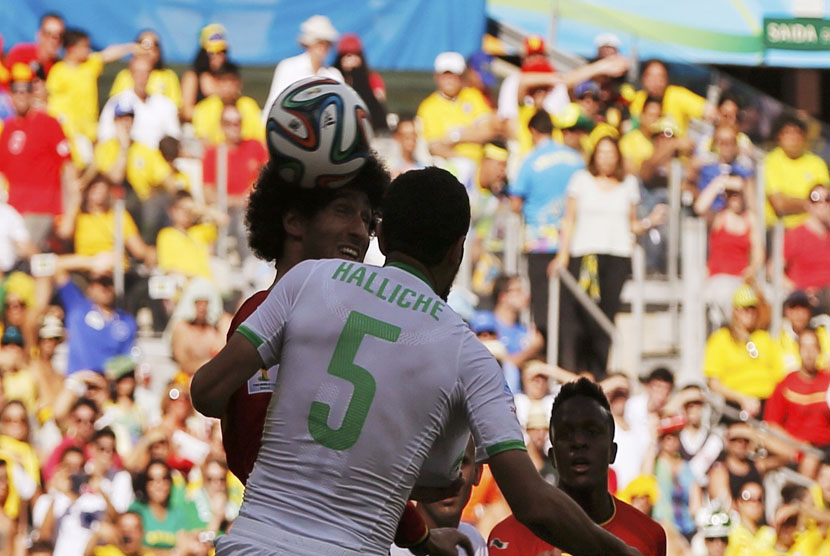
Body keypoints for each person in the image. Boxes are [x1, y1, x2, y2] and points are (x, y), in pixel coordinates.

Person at [192, 167, 641, 555]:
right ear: (457, 251)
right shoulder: (471, 357)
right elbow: (531, 503)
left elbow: (207, 392)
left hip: (249, 543)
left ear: (381, 235)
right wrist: (619, 551)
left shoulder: (308, 279)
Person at [487, 378, 666, 555]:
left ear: (612, 452)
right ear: (552, 456)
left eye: (592, 432)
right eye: (566, 434)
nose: (579, 442)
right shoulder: (508, 537)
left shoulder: (649, 535)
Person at [551, 136, 666, 375]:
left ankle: (599, 369)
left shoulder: (628, 184)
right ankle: (577, 368)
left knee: (607, 312)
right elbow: (570, 219)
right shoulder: (580, 180)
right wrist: (563, 254)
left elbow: (631, 224)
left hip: (617, 255)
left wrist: (649, 222)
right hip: (586, 254)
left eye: (610, 153)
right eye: (601, 153)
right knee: (582, 313)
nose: (606, 158)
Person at [509, 110, 584, 338]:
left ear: (532, 131)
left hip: (539, 241)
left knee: (542, 305)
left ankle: (545, 348)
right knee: (568, 305)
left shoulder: (530, 160)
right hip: (571, 242)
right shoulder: (576, 159)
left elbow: (515, 202)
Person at [0, 63, 75, 247]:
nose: (21, 95)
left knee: (21, 254)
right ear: (9, 95)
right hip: (12, 209)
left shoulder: (49, 123)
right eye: (16, 90)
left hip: (41, 209)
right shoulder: (7, 129)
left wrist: (69, 215)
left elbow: (69, 171)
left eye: (26, 90)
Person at [390, 439, 488, 556]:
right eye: (436, 464)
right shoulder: (386, 541)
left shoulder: (475, 540)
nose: (450, 477)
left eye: (460, 463)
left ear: (477, 473)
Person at [703, 285, 783, 419]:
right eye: (745, 309)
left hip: (766, 403)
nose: (750, 313)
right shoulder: (721, 339)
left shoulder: (765, 338)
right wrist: (742, 398)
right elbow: (713, 383)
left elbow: (779, 376)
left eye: (753, 309)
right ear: (735, 311)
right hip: (734, 405)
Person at [46, 29, 136, 146]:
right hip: (69, 132)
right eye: (84, 46)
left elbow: (108, 54)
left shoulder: (89, 64)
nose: (87, 50)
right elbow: (50, 98)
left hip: (91, 130)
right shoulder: (59, 71)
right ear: (71, 48)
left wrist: (131, 47)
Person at [696, 171, 764, 325]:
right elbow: (699, 207)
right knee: (730, 299)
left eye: (738, 193)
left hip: (741, 279)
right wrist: (720, 182)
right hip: (718, 280)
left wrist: (751, 271)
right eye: (731, 193)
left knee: (758, 300)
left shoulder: (750, 219)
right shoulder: (719, 218)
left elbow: (758, 255)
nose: (736, 197)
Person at [201, 103, 268, 262]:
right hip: (228, 209)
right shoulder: (213, 154)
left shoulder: (255, 147)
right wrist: (237, 200)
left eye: (238, 122)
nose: (235, 127)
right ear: (221, 126)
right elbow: (208, 194)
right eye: (229, 123)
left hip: (254, 205)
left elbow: (268, 179)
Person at [416, 51, 499, 174]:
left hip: (480, 165)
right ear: (437, 77)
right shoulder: (428, 107)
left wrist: (455, 138)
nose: (450, 79)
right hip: (450, 168)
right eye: (446, 74)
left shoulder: (473, 96)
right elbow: (435, 147)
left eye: (454, 75)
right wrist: (464, 158)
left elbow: (488, 130)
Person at [764, 328, 830, 478]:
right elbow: (771, 424)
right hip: (794, 447)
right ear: (798, 350)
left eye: (813, 347)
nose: (809, 353)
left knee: (812, 458)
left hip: (824, 447)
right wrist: (798, 445)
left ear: (819, 350)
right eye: (805, 347)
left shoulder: (827, 381)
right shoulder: (786, 384)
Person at [261, 14, 343, 118]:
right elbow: (273, 104)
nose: (323, 48)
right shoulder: (288, 67)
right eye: (319, 42)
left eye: (327, 43)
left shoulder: (334, 75)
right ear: (308, 43)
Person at [98, 56, 181, 149]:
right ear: (131, 74)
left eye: (146, 72)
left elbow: (174, 136)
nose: (142, 77)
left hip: (158, 158)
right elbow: (105, 135)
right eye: (138, 72)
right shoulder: (117, 103)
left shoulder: (165, 104)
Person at [764, 114, 830, 229]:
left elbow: (825, 200)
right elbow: (780, 204)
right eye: (788, 133)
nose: (793, 138)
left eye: (797, 133)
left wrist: (793, 202)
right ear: (779, 136)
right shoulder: (771, 161)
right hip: (783, 230)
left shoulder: (817, 163)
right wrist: (812, 203)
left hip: (815, 229)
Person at [628, 59, 708, 136]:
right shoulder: (636, 99)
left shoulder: (677, 95)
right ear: (643, 79)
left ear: (666, 79)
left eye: (660, 76)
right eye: (651, 76)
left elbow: (709, 111)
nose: (656, 81)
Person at [783, 184, 830, 313]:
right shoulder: (795, 235)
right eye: (816, 200)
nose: (822, 205)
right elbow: (774, 271)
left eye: (827, 199)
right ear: (808, 205)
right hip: (804, 298)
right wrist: (800, 291)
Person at [109, 29, 182, 109]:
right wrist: (129, 48)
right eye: (142, 44)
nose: (148, 50)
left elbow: (175, 108)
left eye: (154, 45)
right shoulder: (125, 75)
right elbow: (115, 107)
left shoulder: (168, 76)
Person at [333, 33, 388, 131]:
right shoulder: (333, 75)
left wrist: (357, 75)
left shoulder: (373, 79)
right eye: (347, 55)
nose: (351, 60)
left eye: (355, 55)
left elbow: (377, 107)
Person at [181, 23, 232, 122]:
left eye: (222, 52)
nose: (217, 57)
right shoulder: (192, 77)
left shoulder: (228, 77)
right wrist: (212, 115)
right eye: (212, 53)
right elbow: (186, 112)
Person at [778, 289, 830, 372]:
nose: (799, 314)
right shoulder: (780, 339)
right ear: (787, 312)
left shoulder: (823, 334)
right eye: (794, 309)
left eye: (803, 308)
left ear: (809, 311)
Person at [4, 12, 64, 78]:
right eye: (48, 34)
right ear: (39, 35)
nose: (54, 40)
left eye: (59, 35)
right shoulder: (21, 53)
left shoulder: (60, 67)